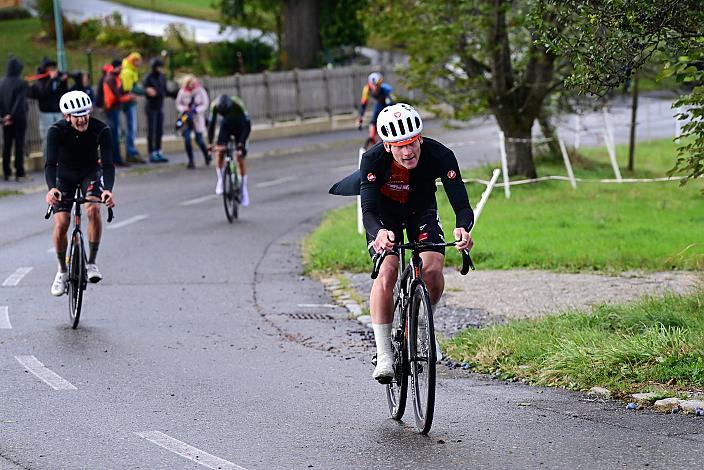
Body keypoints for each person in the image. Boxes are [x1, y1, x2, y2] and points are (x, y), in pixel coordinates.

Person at [359, 103, 474, 382]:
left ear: (420, 138)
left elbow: (462, 205)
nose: (407, 152)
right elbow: (369, 212)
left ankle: (423, 324)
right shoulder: (372, 161)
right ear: (387, 146)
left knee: (433, 268)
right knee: (387, 271)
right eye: (399, 146)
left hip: (421, 211)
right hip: (385, 217)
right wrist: (379, 234)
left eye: (411, 143)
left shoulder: (440, 155)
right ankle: (385, 353)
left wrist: (463, 228)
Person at [44, 90, 115, 296]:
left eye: (85, 113)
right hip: (64, 175)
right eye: (77, 115)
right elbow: (50, 164)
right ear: (67, 117)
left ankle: (91, 263)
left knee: (93, 210)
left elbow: (108, 165)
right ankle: (62, 270)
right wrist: (52, 189)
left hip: (90, 172)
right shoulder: (56, 131)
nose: (83, 119)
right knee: (62, 222)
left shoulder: (101, 130)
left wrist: (108, 190)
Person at [207, 94, 251, 204]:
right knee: (220, 151)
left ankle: (243, 189)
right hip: (226, 125)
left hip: (241, 125)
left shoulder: (237, 103)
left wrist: (241, 143)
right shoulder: (214, 106)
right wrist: (210, 144)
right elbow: (211, 126)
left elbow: (247, 125)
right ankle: (221, 180)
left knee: (240, 157)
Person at [30, 58, 68, 157]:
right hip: (46, 113)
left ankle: (60, 161)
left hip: (57, 112)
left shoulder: (56, 79)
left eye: (53, 68)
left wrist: (63, 81)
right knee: (48, 138)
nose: (52, 70)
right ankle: (48, 161)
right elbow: (43, 93)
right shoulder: (41, 81)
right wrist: (51, 79)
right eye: (50, 68)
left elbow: (62, 93)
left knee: (61, 137)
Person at [0, 57, 29, 181]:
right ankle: (19, 172)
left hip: (5, 119)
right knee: (19, 145)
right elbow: (19, 102)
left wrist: (4, 117)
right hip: (18, 118)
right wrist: (12, 115)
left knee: (7, 145)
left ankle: (6, 171)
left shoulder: (1, 82)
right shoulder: (21, 83)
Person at [102, 59, 134, 167]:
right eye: (120, 67)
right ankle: (116, 160)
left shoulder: (114, 77)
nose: (121, 69)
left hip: (113, 108)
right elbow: (116, 96)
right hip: (111, 109)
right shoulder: (111, 78)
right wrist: (128, 97)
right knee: (114, 135)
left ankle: (116, 159)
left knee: (116, 135)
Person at [175, 74, 210, 170]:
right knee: (187, 139)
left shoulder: (200, 91)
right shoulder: (182, 91)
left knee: (199, 140)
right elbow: (178, 104)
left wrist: (197, 110)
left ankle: (206, 155)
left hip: (197, 117)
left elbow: (205, 104)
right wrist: (184, 109)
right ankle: (191, 160)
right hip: (186, 118)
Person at [356, 72, 394, 149]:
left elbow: (391, 103)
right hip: (378, 106)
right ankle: (372, 140)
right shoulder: (366, 89)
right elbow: (363, 104)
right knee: (373, 124)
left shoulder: (385, 89)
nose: (377, 87)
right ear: (370, 83)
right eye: (375, 85)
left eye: (378, 85)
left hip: (386, 106)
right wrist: (360, 118)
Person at [119, 52, 146, 164]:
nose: (140, 62)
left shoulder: (132, 71)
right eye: (139, 60)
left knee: (132, 128)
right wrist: (143, 91)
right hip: (127, 103)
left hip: (130, 102)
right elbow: (127, 89)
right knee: (131, 128)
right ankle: (130, 152)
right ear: (134, 61)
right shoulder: (127, 72)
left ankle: (131, 151)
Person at [142, 58, 170, 163]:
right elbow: (149, 92)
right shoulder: (148, 78)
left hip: (159, 107)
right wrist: (158, 93)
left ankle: (158, 150)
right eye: (159, 67)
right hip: (151, 107)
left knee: (159, 130)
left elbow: (164, 91)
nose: (160, 69)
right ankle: (152, 152)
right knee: (151, 130)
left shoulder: (162, 77)